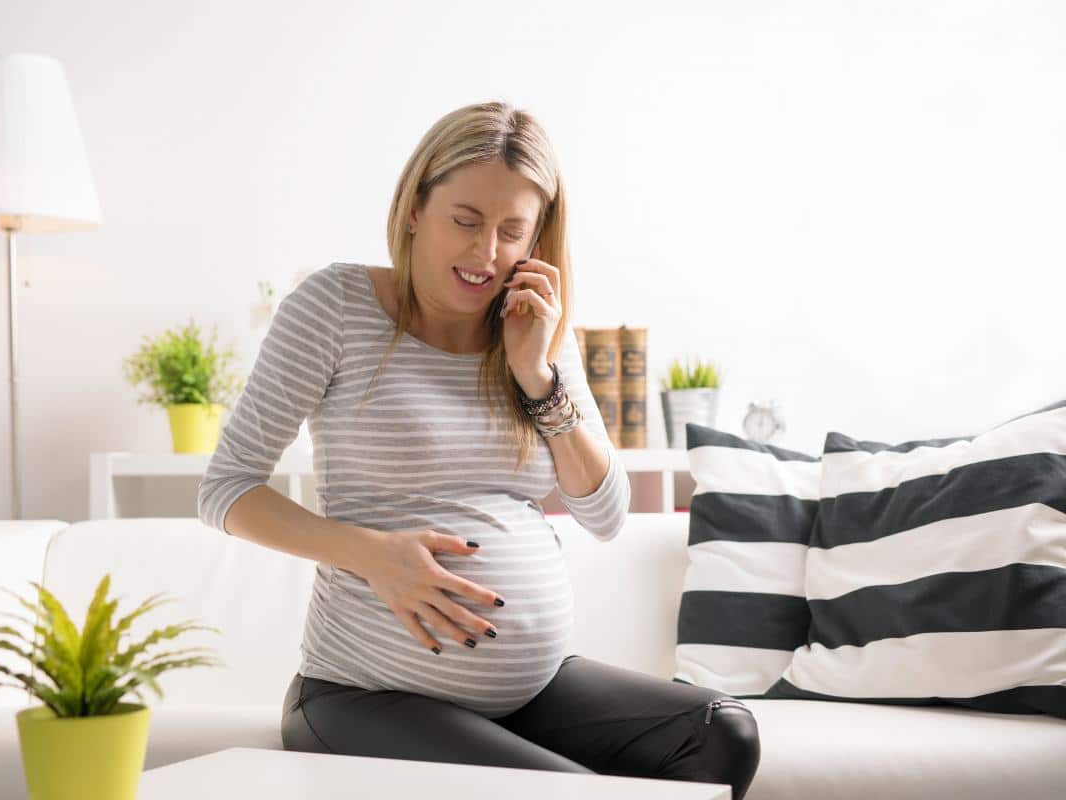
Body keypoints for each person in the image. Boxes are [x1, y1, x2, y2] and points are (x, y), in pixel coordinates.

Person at [197, 100, 760, 800]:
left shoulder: (539, 333)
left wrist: (537, 376)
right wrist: (373, 555)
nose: (485, 254)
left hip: (529, 691)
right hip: (360, 697)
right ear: (414, 209)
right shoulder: (335, 305)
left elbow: (606, 513)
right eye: (464, 222)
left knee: (719, 734)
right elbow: (225, 489)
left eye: (511, 232)